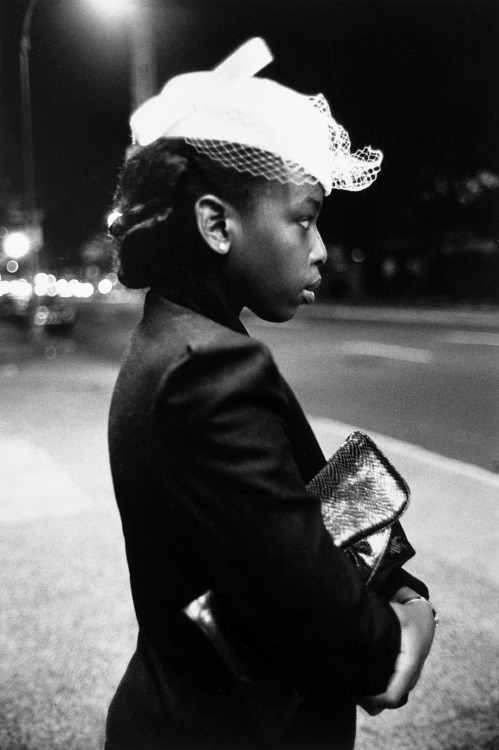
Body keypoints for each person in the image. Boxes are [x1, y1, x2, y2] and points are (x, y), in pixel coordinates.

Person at [105, 38, 436, 750]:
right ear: (218, 224)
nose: (318, 248)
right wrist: (406, 626)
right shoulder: (210, 372)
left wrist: (386, 576)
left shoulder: (174, 338)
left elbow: (282, 529)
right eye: (305, 216)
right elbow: (354, 647)